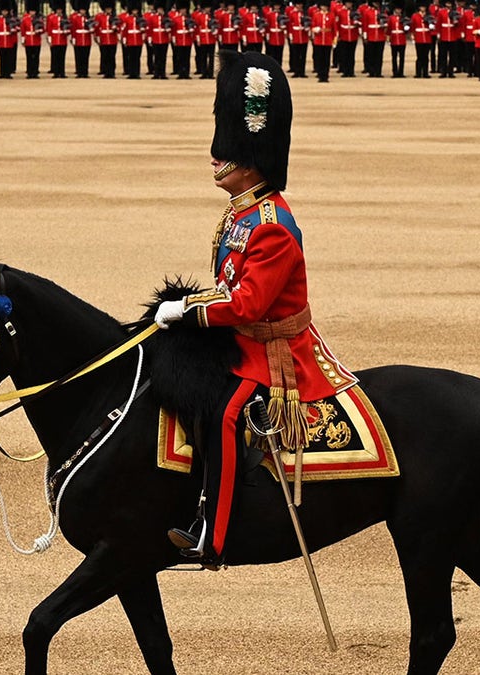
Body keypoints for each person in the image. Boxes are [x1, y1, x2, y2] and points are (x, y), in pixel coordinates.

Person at [156, 51, 356, 565]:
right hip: (244, 335)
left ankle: (213, 535)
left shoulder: (271, 224)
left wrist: (189, 312)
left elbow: (248, 303)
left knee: (223, 414)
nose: (215, 157)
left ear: (251, 161)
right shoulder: (240, 211)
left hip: (272, 349)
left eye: (228, 152)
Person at [94, 3, 116, 78]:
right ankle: (106, 72)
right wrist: (97, 37)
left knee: (112, 57)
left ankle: (112, 72)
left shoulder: (114, 17)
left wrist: (115, 28)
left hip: (112, 39)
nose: (108, 10)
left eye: (109, 9)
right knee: (105, 56)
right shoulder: (100, 17)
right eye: (107, 9)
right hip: (103, 39)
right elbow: (97, 28)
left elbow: (119, 28)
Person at [44, 3, 65, 77]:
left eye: (60, 10)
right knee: (55, 57)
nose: (59, 11)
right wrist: (50, 39)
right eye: (58, 10)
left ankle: (62, 73)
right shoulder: (52, 18)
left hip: (62, 40)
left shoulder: (64, 19)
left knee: (62, 57)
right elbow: (49, 29)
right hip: (55, 40)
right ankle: (56, 73)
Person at [68, 3, 89, 77]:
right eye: (82, 10)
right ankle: (79, 72)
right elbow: (73, 29)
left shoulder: (88, 18)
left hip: (86, 40)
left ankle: (85, 72)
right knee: (78, 56)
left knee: (85, 57)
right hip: (78, 39)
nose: (83, 11)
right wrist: (73, 38)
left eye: (84, 10)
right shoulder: (75, 18)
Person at [387, 4, 406, 77]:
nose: (398, 11)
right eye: (397, 9)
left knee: (402, 57)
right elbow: (389, 29)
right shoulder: (391, 18)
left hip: (402, 39)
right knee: (394, 57)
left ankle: (401, 72)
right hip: (394, 39)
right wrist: (388, 38)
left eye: (400, 9)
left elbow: (406, 30)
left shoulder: (404, 18)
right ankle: (395, 72)